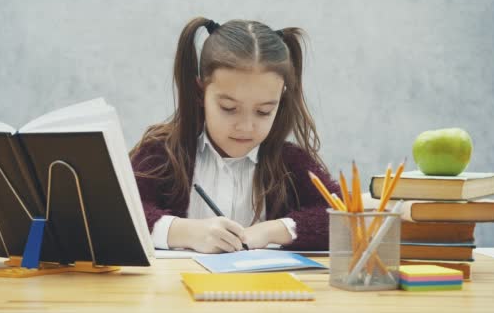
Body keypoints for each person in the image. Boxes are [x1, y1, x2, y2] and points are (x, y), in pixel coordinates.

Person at [130, 17, 341, 253]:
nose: (246, 127)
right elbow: (118, 211)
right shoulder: (161, 154)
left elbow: (342, 216)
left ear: (280, 100)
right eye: (228, 108)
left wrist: (269, 231)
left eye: (264, 111)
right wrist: (187, 232)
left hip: (262, 290)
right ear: (200, 93)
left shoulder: (290, 163)